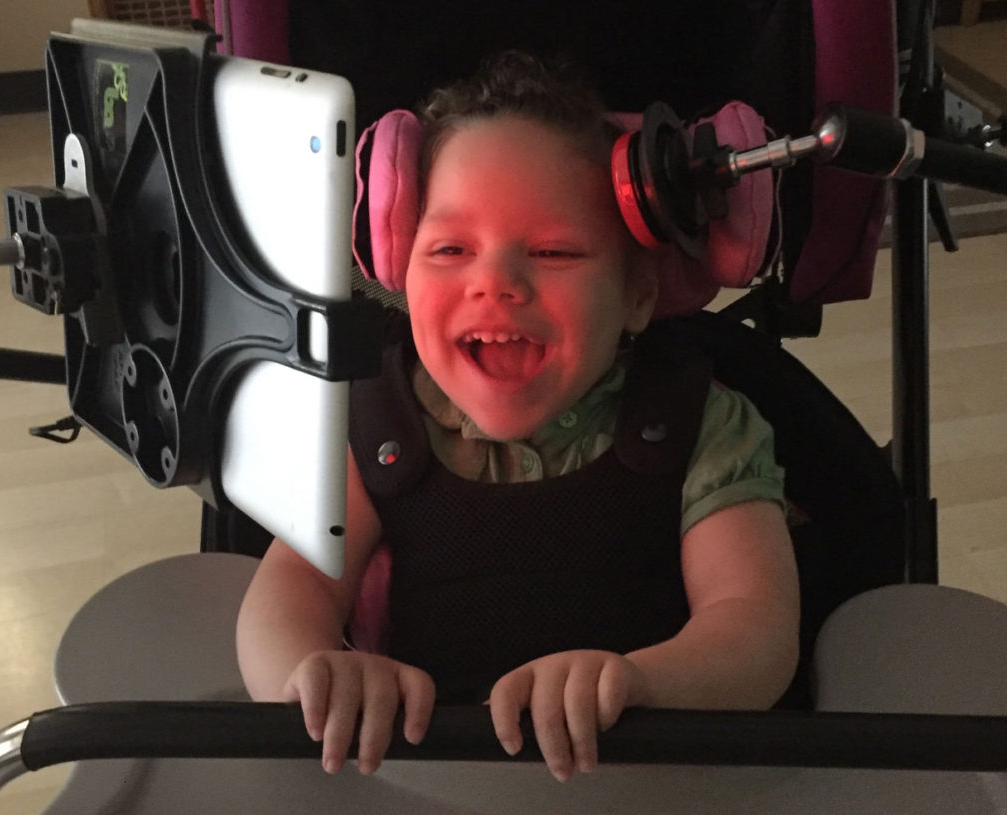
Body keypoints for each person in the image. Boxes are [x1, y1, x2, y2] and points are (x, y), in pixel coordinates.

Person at [235, 51, 800, 783]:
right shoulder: (374, 424)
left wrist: (640, 682)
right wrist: (315, 674)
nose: (496, 281)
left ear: (636, 296)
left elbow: (756, 628)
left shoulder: (705, 428)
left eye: (553, 250)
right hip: (419, 786)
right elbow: (288, 593)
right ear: (399, 277)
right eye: (449, 249)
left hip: (649, 785)